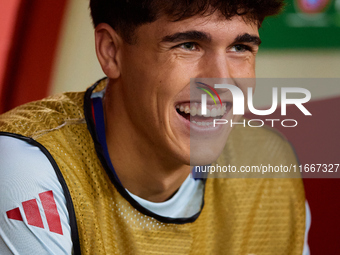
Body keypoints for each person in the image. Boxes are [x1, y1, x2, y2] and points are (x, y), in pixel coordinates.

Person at [0, 0, 310, 254]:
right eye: (189, 45)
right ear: (111, 51)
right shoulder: (26, 167)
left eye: (240, 48)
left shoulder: (269, 168)